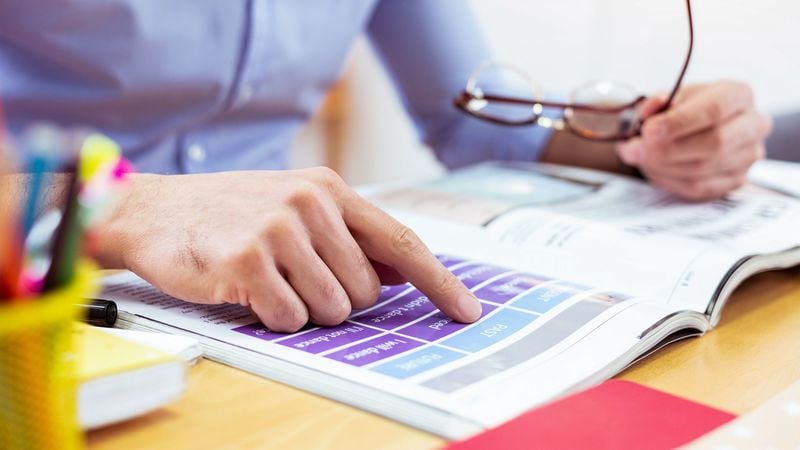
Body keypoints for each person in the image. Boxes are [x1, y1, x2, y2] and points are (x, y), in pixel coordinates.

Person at [0, 2, 772, 332]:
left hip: (268, 311)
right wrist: (127, 209)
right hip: (40, 309)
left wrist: (651, 138)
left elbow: (468, 117)